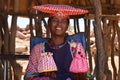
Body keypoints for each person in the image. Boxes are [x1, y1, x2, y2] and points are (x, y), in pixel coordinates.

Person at [24, 4, 88, 80]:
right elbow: (29, 76)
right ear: (49, 24)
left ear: (67, 25)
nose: (59, 24)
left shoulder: (76, 48)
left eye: (63, 21)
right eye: (55, 20)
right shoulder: (38, 49)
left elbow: (86, 74)